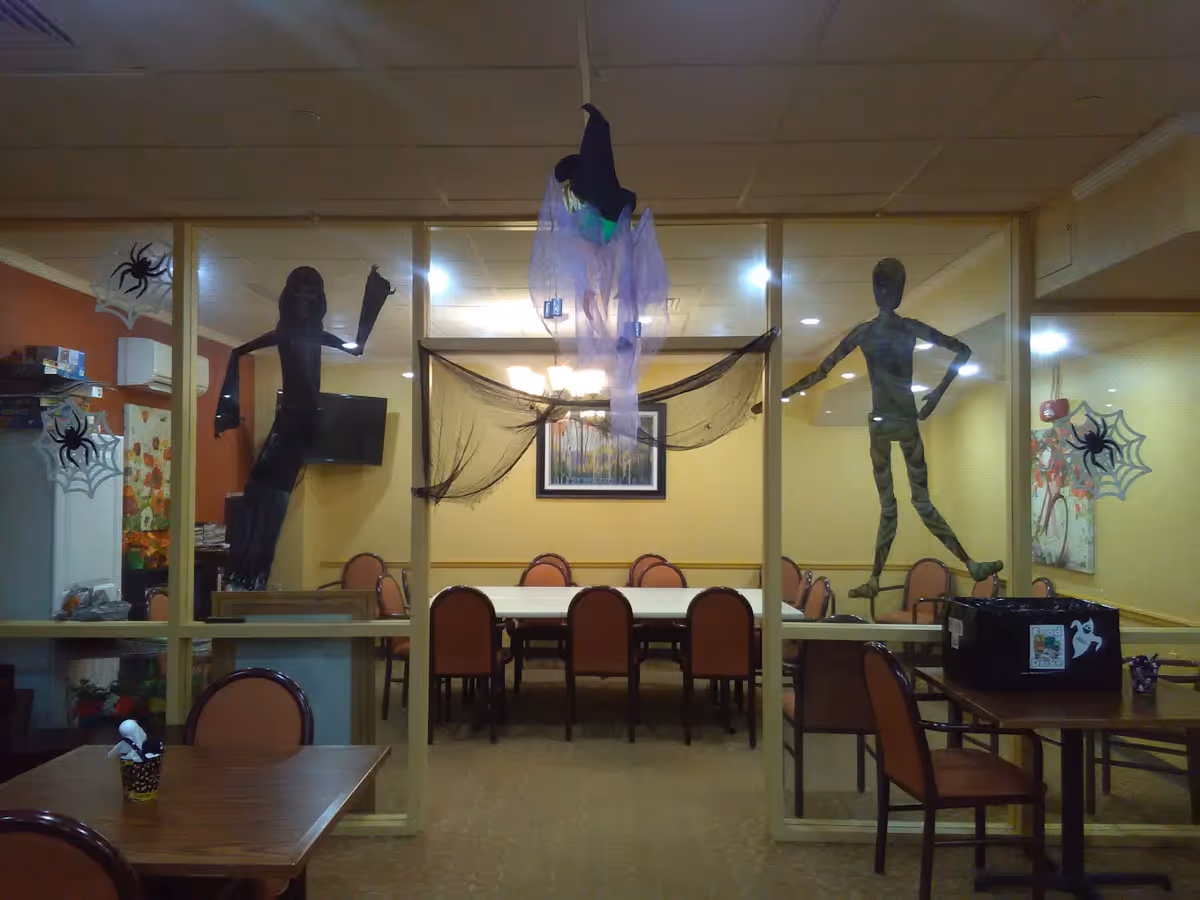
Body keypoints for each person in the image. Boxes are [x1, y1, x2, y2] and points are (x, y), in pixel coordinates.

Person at [768, 257, 1002, 599]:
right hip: (902, 421)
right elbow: (962, 351)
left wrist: (779, 396)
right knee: (917, 503)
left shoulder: (868, 332)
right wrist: (937, 394)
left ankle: (886, 577)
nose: (887, 292)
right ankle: (963, 564)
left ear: (881, 291)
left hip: (886, 422)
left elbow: (821, 373)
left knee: (896, 505)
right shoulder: (905, 329)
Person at [215, 265, 393, 589]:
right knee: (265, 495)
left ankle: (248, 575)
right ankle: (249, 575)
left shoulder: (304, 333)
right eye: (300, 292)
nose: (306, 299)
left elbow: (357, 348)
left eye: (312, 293)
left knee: (264, 495)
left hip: (295, 424)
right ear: (288, 298)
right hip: (297, 422)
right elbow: (240, 351)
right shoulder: (289, 333)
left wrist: (374, 297)